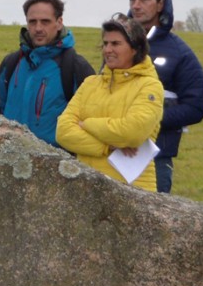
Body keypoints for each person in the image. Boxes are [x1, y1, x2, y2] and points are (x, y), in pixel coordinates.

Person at [56, 14, 164, 191]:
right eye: (105, 43)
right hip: (88, 187)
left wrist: (86, 124)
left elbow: (132, 133)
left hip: (133, 191)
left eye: (116, 44)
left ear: (135, 49)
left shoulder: (150, 86)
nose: (108, 49)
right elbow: (63, 132)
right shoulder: (90, 83)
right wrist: (106, 146)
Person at [127, 0, 203, 193]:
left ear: (160, 4)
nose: (136, 5)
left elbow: (195, 108)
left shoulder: (180, 53)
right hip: (113, 154)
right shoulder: (117, 46)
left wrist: (148, 120)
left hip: (156, 157)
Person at [0, 0, 95, 146]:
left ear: (59, 22)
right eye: (32, 22)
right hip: (10, 162)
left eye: (45, 21)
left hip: (56, 164)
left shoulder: (76, 67)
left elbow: (91, 121)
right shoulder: (11, 63)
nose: (38, 28)